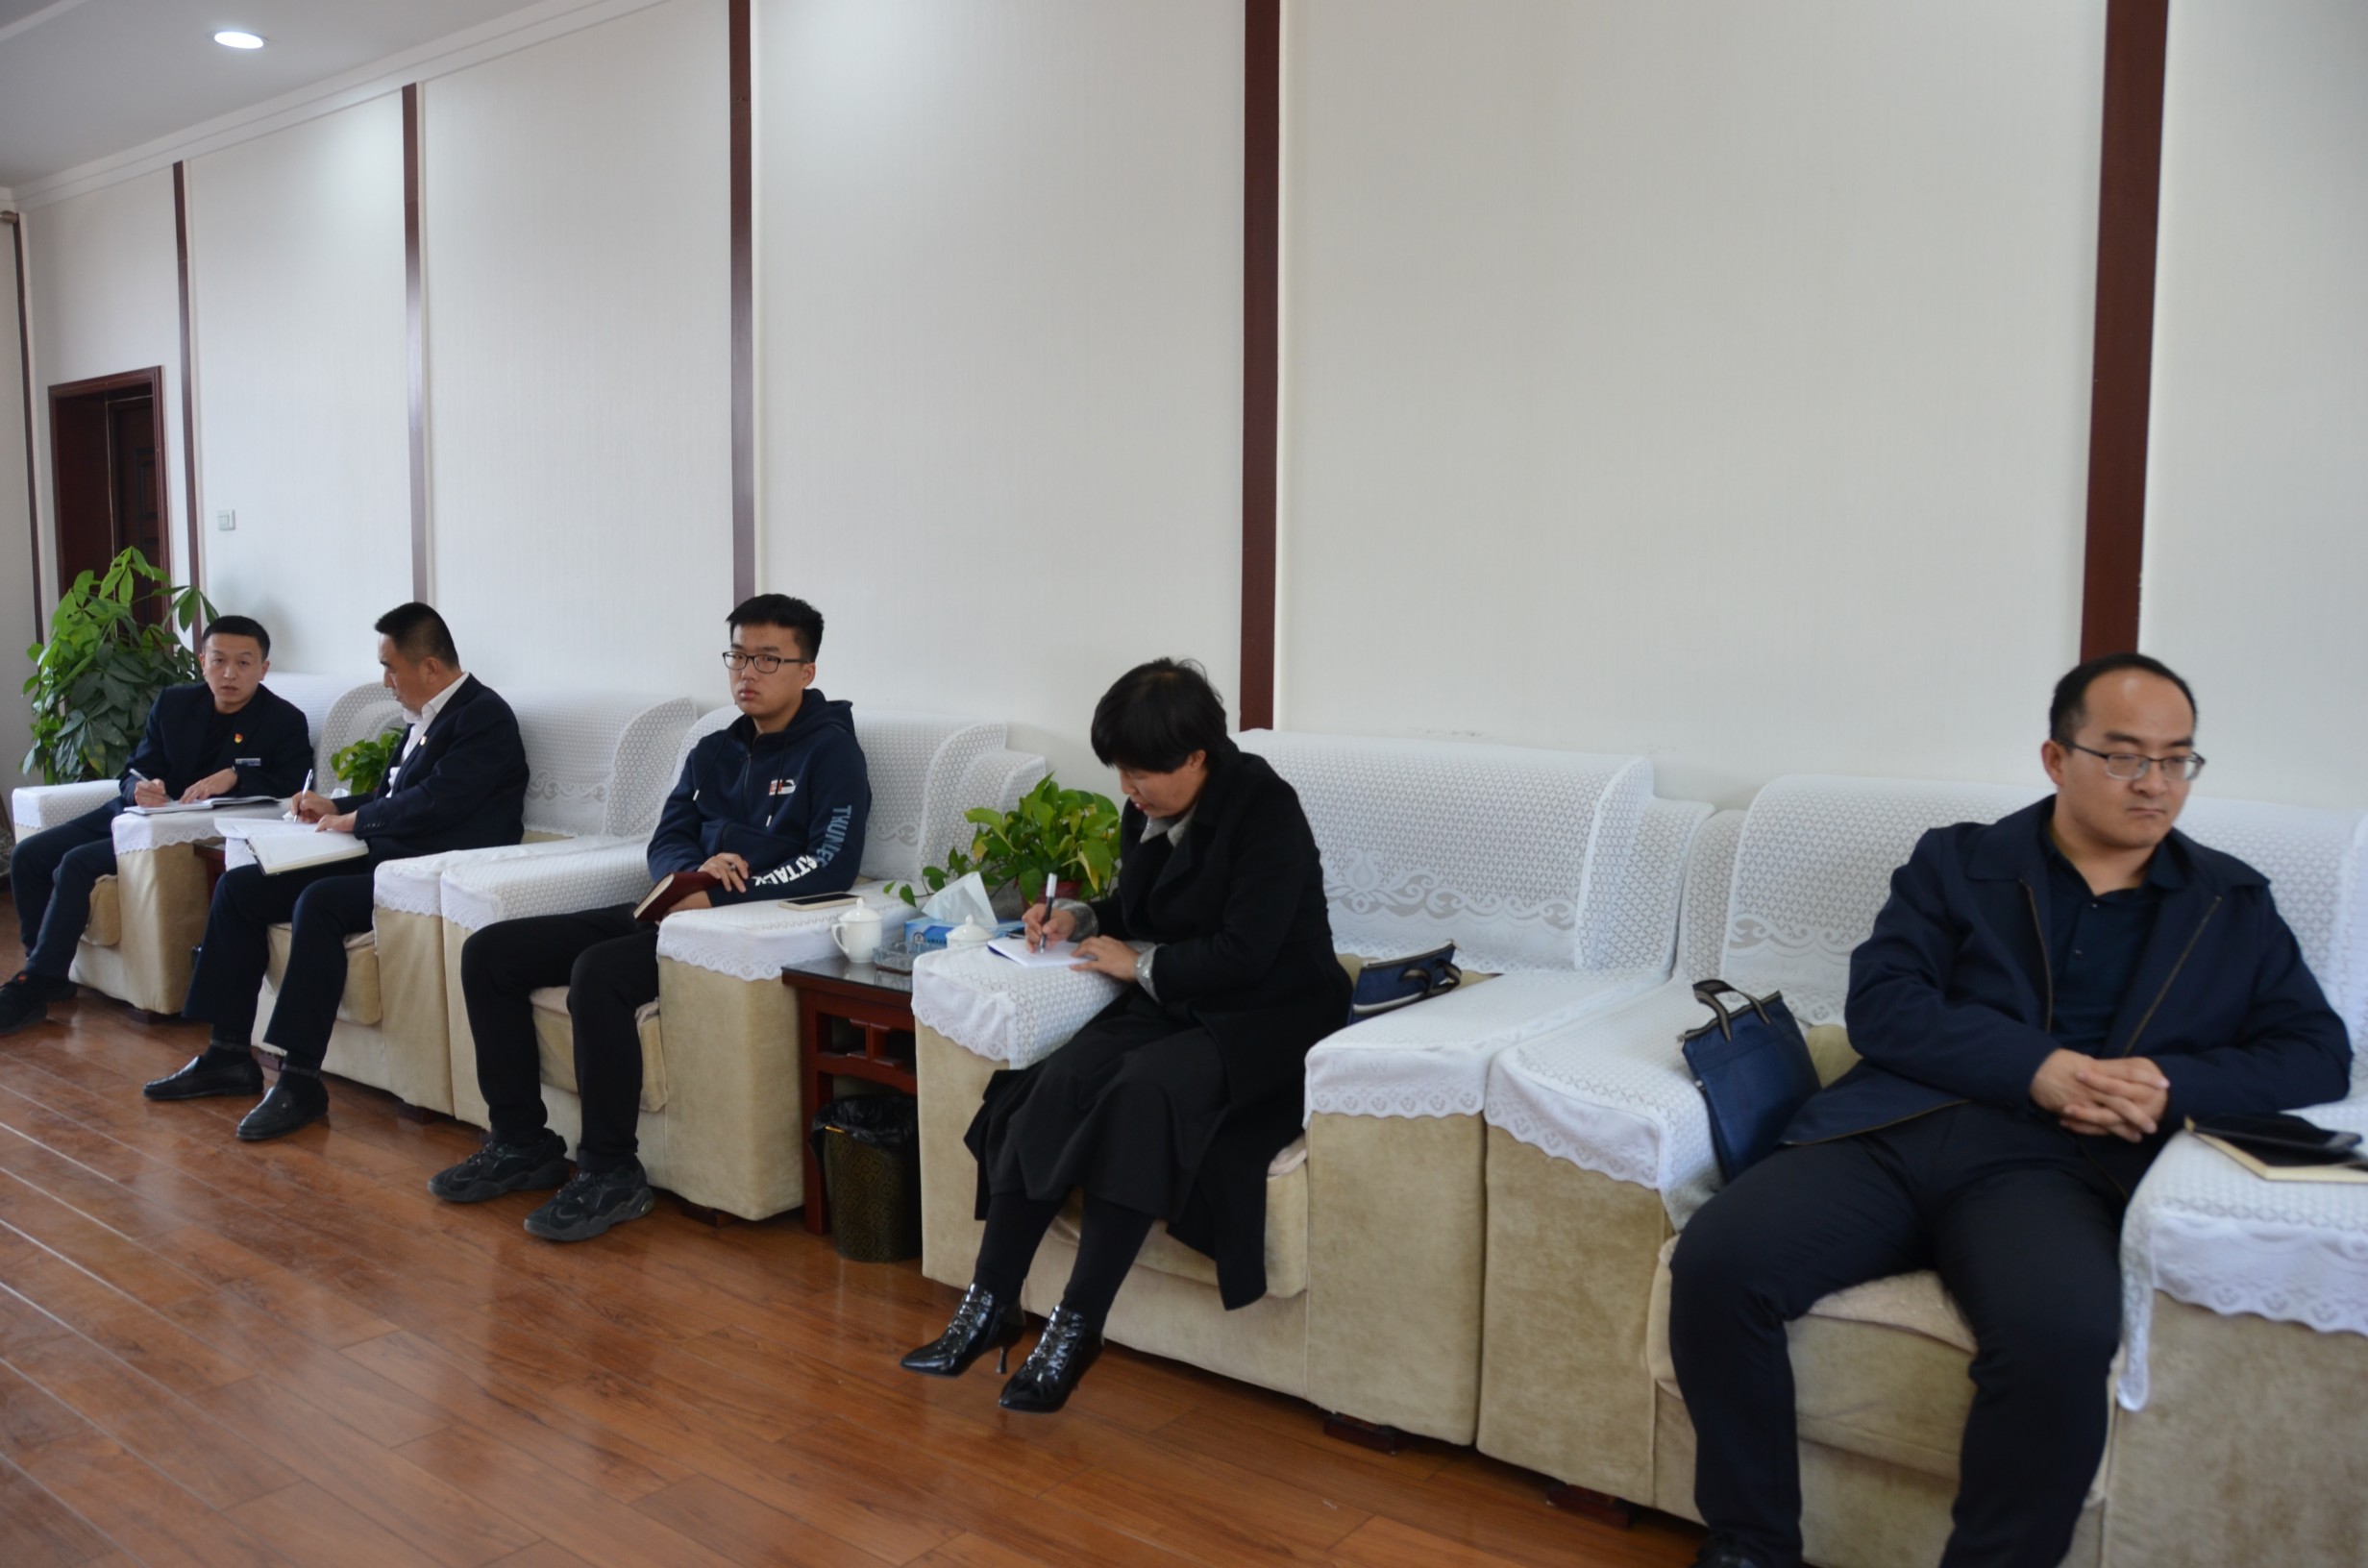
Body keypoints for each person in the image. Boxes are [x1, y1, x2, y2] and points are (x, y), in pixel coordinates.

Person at [1668, 652, 2352, 1568]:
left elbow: (2316, 1052)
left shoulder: (2229, 903)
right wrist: (2039, 1067)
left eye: (2176, 759)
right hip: (1890, 1133)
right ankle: (1750, 1547)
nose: (2155, 783)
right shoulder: (1958, 863)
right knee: (1719, 1259)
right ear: (2056, 758)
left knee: (2060, 1336)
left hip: (2057, 1172)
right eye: (2124, 756)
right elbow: (1885, 1005)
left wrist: (2170, 1085)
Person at [900, 657, 1350, 1413]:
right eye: (1122, 771)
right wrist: (1078, 918)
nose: (1127, 789)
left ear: (1198, 757)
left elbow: (1249, 951)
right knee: (1055, 1085)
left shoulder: (1266, 808)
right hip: (1178, 995)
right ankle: (989, 1304)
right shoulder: (1147, 807)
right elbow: (1139, 909)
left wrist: (1138, 964)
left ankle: (1077, 1328)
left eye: (1140, 773)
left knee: (1142, 1095)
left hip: (1270, 1012)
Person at [429, 594, 870, 1241]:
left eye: (768, 659)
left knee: (599, 973)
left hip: (728, 929)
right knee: (491, 953)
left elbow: (831, 863)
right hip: (670, 908)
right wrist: (690, 874)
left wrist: (723, 896)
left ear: (807, 670)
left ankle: (611, 1172)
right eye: (738, 656)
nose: (748, 672)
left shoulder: (831, 753)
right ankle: (521, 1142)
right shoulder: (713, 750)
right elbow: (668, 836)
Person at [152, 602, 529, 1140]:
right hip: (384, 854)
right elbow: (393, 795)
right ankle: (227, 1053)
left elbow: (438, 801)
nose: (386, 682)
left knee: (321, 901)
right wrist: (335, 806)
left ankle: (300, 1079)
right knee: (240, 889)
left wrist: (357, 819)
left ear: (429, 667)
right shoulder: (426, 715)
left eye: (390, 668)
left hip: (430, 868)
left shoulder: (483, 717)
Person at [1, 616, 311, 1036]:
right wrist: (140, 788)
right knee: (28, 855)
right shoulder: (175, 703)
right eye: (219, 661)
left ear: (263, 668)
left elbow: (291, 783)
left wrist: (236, 776)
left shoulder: (283, 720)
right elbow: (136, 768)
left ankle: (33, 986)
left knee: (76, 863)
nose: (229, 674)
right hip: (140, 813)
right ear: (202, 662)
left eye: (243, 663)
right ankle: (46, 968)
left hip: (190, 829)